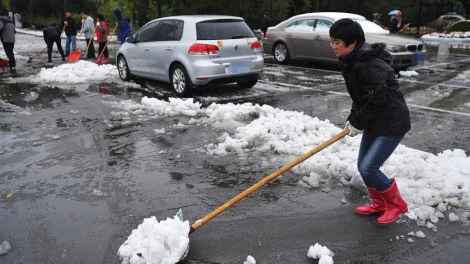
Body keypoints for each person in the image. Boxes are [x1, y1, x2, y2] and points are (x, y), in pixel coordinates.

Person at [329, 18, 410, 225]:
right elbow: (360, 98)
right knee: (362, 165)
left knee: (368, 168)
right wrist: (352, 120)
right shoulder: (351, 61)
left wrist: (359, 122)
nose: (333, 47)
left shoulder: (369, 64)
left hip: (392, 123)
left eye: (337, 42)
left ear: (352, 42)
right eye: (332, 42)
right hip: (375, 121)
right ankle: (380, 204)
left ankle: (397, 205)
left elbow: (376, 100)